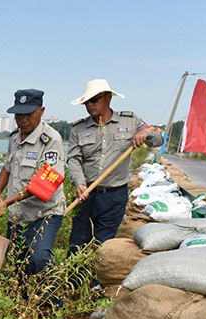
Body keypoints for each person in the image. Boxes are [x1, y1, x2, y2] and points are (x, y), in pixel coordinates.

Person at [66, 79, 164, 250]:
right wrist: (80, 183)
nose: (90, 105)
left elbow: (158, 138)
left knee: (103, 246)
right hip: (86, 194)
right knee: (77, 243)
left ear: (108, 98)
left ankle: (97, 277)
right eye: (86, 102)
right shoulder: (79, 128)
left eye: (94, 100)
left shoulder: (130, 121)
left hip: (114, 196)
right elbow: (74, 159)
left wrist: (145, 132)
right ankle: (75, 277)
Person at [0, 89, 66, 286]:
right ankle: (23, 308)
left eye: (29, 114)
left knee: (39, 259)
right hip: (18, 215)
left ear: (41, 111)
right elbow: (7, 167)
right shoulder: (15, 137)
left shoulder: (51, 141)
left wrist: (6, 202)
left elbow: (44, 185)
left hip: (45, 213)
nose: (23, 119)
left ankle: (54, 309)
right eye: (18, 114)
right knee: (16, 267)